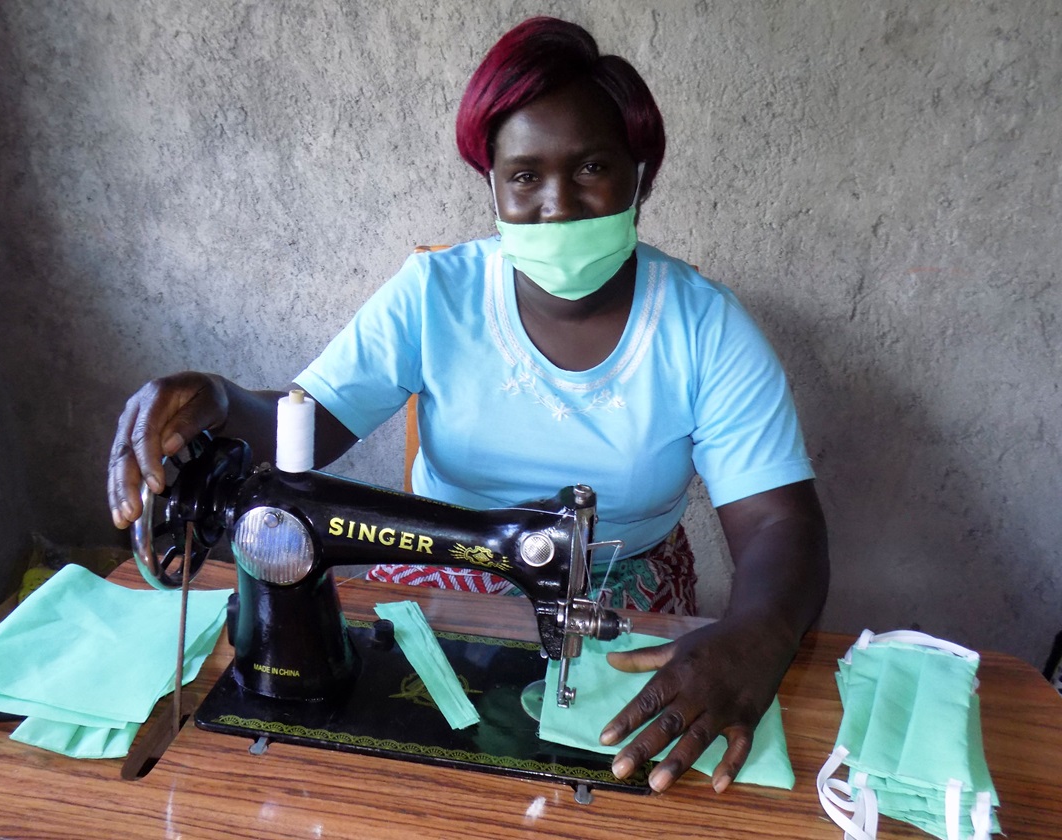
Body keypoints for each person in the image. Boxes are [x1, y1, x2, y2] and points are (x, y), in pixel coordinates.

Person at [107, 16, 829, 795]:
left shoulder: (706, 327)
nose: (559, 205)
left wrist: (757, 637)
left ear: (640, 175)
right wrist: (216, 400)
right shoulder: (434, 296)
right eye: (525, 176)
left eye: (591, 167)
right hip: (433, 592)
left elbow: (780, 527)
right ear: (492, 183)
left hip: (629, 601)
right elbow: (302, 437)